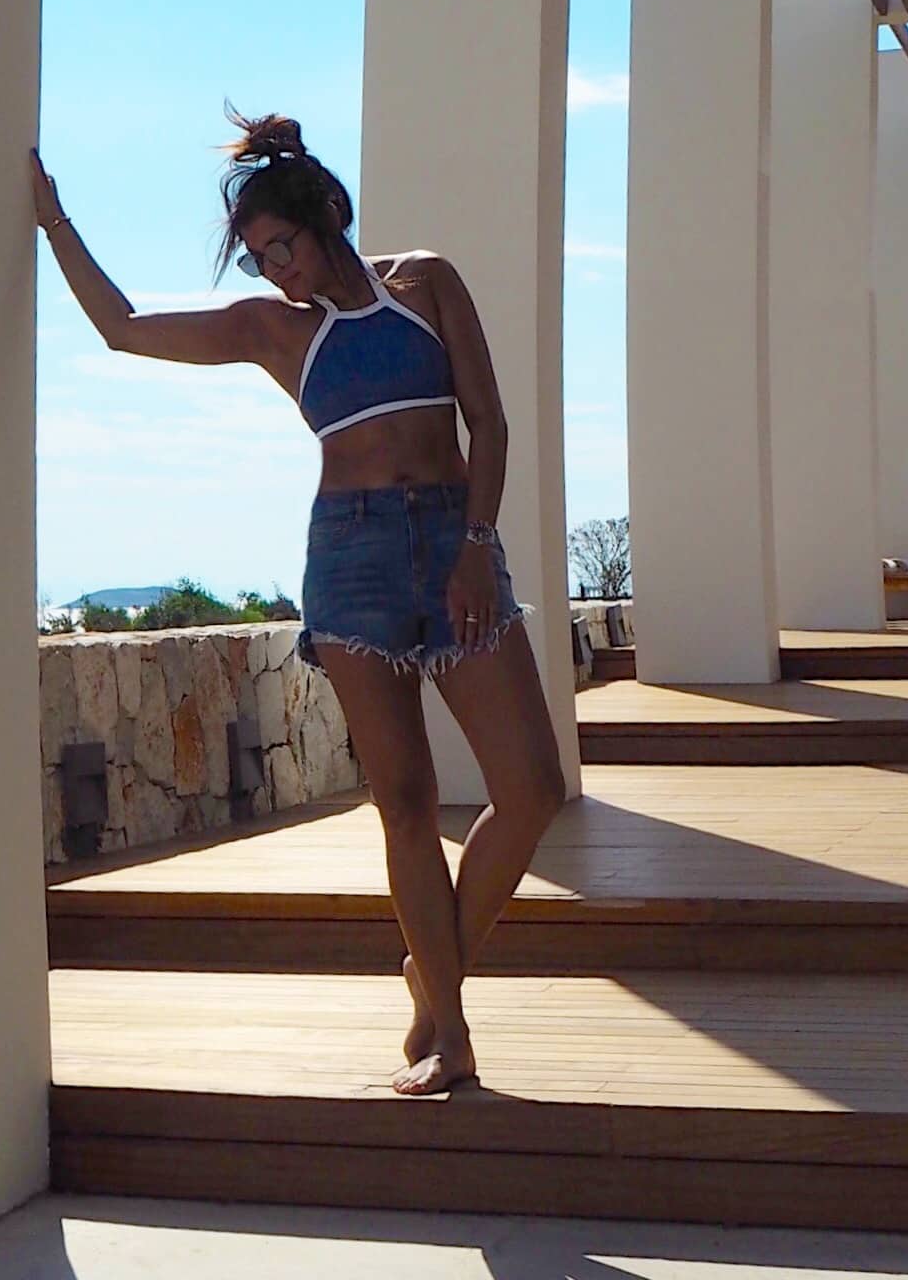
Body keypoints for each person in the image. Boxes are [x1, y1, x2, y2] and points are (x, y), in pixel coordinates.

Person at [31, 111, 566, 1097]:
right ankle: (450, 1034)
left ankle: (431, 972)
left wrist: (477, 545)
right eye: (256, 258)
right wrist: (54, 222)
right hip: (351, 560)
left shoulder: (426, 283)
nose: (274, 271)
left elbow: (487, 421)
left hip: (454, 540)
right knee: (405, 801)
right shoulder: (271, 329)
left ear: (327, 213)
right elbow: (122, 328)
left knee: (532, 787)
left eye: (281, 246)